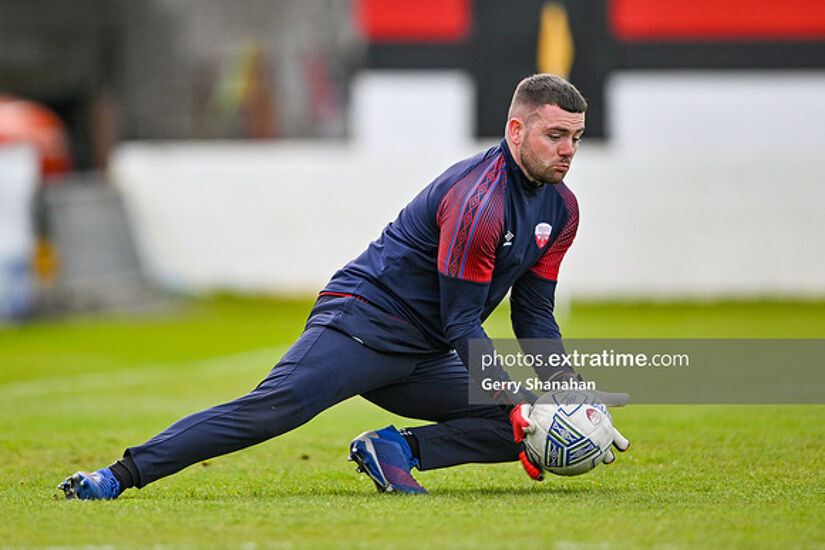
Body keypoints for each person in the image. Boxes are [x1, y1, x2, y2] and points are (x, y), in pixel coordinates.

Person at [58, 74, 628, 499]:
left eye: (575, 138)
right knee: (272, 411)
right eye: (556, 136)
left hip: (427, 352)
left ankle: (394, 450)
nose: (568, 152)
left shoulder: (563, 209)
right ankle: (117, 475)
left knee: (523, 430)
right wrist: (517, 402)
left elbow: (534, 317)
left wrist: (574, 399)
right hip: (363, 325)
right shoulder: (479, 200)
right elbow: (461, 320)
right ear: (516, 130)